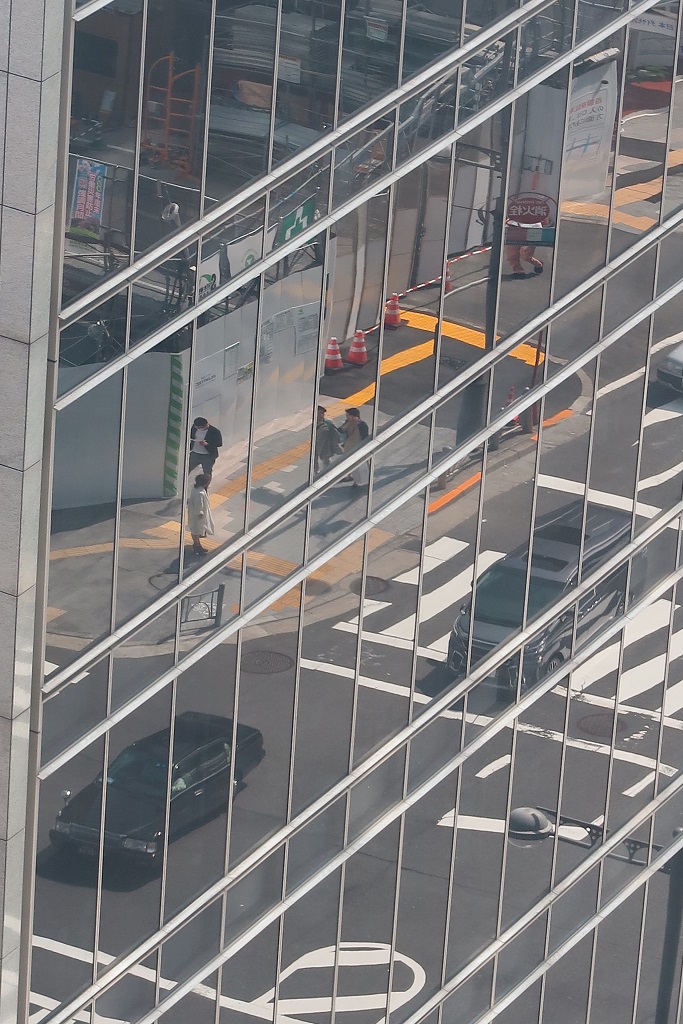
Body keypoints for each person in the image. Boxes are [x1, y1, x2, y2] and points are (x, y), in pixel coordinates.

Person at [341, 407, 370, 487]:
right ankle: (350, 476)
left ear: (353, 416)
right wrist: (347, 424)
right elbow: (341, 430)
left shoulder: (362, 425)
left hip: (358, 447)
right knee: (348, 462)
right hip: (348, 446)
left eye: (348, 415)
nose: (346, 416)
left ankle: (358, 480)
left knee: (358, 464)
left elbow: (365, 437)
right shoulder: (347, 422)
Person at [187, 474, 215, 555]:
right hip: (198, 516)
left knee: (196, 529)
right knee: (196, 530)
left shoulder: (196, 489)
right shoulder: (200, 493)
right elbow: (199, 505)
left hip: (195, 514)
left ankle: (197, 544)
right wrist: (200, 513)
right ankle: (197, 546)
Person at [314, 405, 342, 474]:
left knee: (326, 459)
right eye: (318, 413)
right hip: (316, 443)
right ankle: (315, 472)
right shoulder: (314, 421)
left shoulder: (328, 422)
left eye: (321, 413)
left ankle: (326, 473)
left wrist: (335, 444)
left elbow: (335, 432)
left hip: (325, 444)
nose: (320, 415)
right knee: (314, 459)